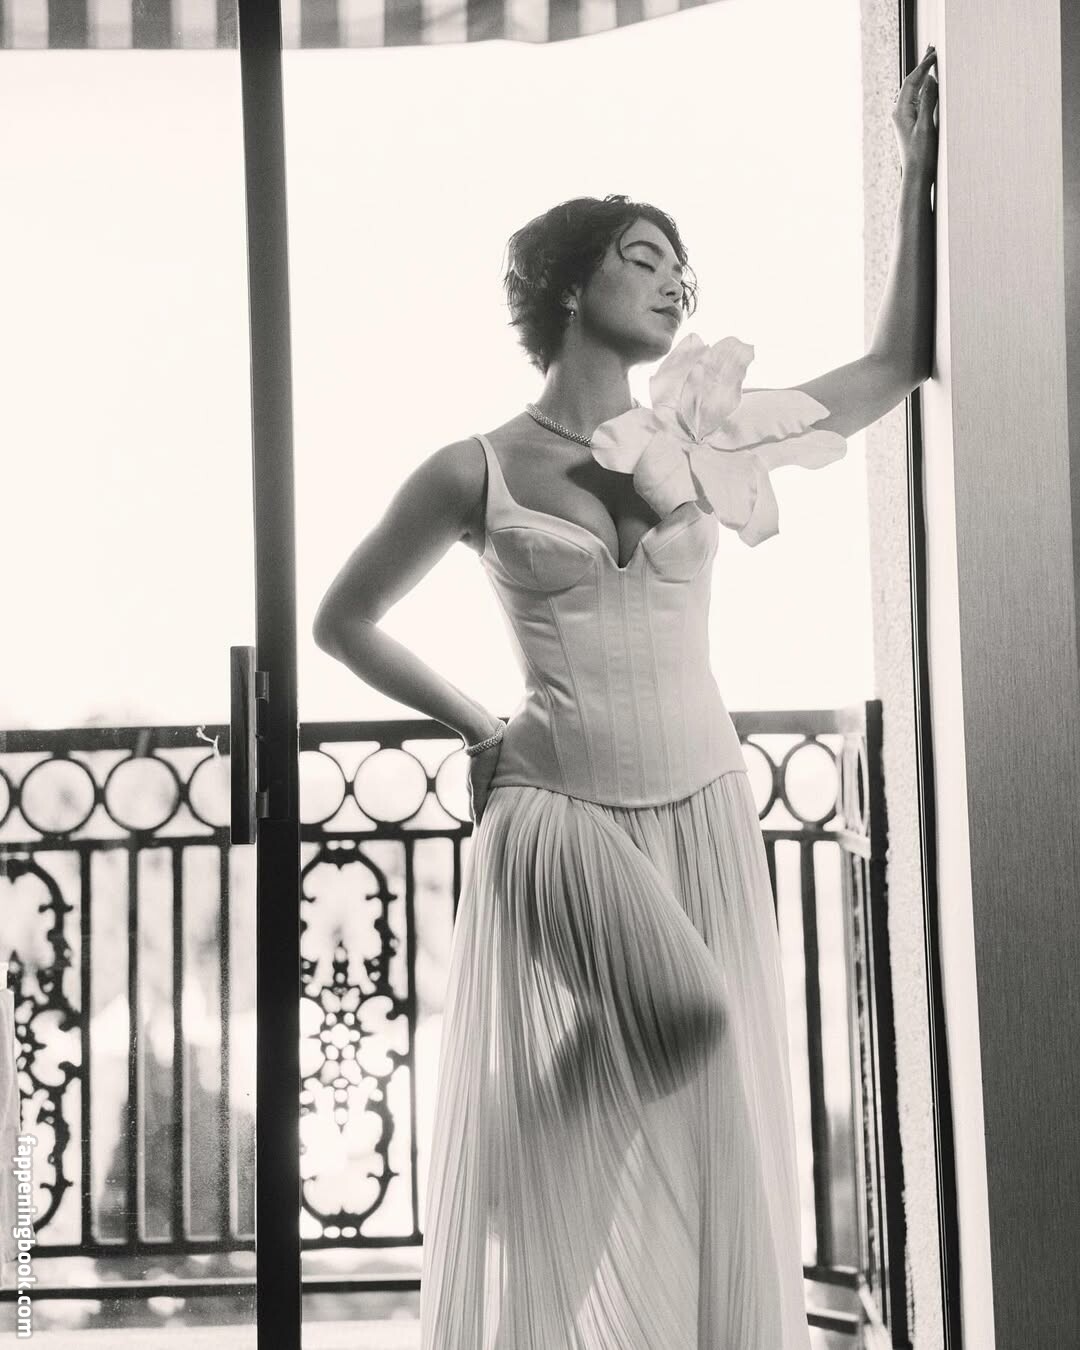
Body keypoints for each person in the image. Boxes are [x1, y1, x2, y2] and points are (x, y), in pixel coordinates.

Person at [312, 48, 937, 1350]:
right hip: (559, 806)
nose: (672, 283)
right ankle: (513, 1175)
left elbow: (893, 365)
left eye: (680, 271)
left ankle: (560, 1286)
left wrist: (917, 169)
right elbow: (343, 619)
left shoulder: (704, 434)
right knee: (687, 1018)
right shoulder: (475, 466)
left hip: (703, 800)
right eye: (643, 258)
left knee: (693, 1082)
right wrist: (479, 727)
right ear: (568, 284)